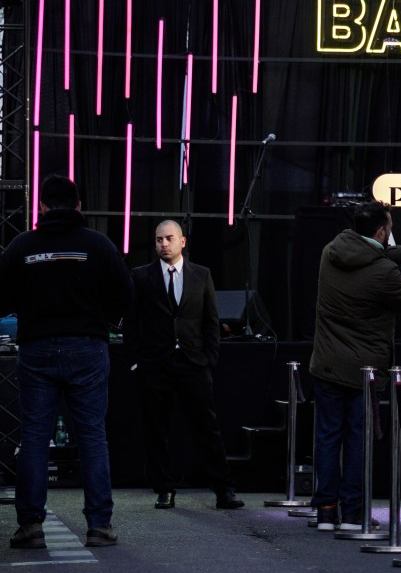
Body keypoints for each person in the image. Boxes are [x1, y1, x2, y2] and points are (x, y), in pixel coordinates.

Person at [0, 173, 132, 549]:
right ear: (78, 206)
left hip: (37, 348)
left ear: (41, 206)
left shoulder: (22, 246)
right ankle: (99, 526)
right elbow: (125, 296)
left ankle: (30, 526)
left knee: (35, 437)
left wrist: (31, 308)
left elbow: (2, 298)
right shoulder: (98, 244)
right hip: (88, 347)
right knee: (92, 436)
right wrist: (98, 318)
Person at [308, 200, 401, 530]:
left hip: (326, 364)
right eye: (389, 228)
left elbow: (372, 255)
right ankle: (352, 514)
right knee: (358, 441)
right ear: (380, 231)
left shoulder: (331, 251)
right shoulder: (383, 273)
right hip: (363, 372)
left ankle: (325, 511)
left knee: (327, 438)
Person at [124, 218, 244, 511]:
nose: (163, 244)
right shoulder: (141, 276)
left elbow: (211, 321)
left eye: (168, 238)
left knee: (207, 428)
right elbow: (132, 322)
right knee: (156, 430)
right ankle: (164, 489)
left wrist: (209, 360)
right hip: (156, 364)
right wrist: (137, 362)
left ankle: (224, 490)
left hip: (193, 362)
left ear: (182, 242)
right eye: (158, 239)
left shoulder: (201, 274)